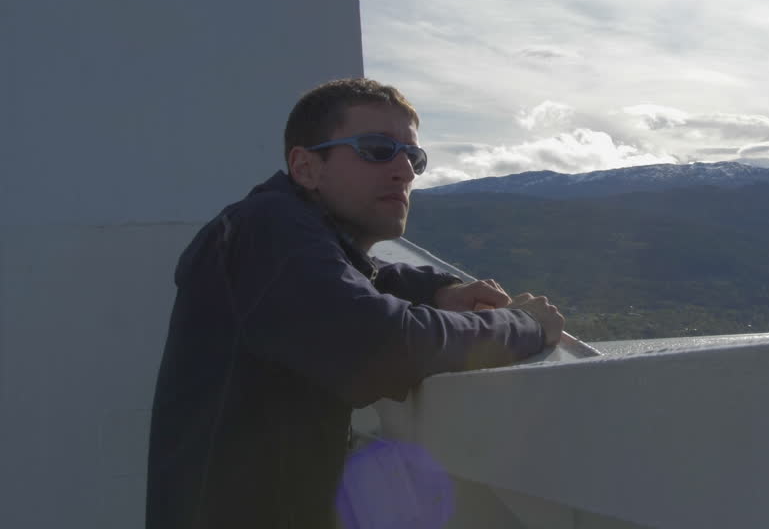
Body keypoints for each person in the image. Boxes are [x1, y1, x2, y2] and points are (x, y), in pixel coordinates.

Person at [146, 78, 564, 528]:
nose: (404, 170)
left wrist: (440, 291)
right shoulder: (265, 228)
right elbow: (385, 343)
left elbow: (361, 275)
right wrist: (523, 324)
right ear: (306, 167)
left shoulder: (278, 235)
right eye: (376, 149)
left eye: (414, 157)